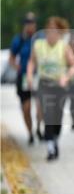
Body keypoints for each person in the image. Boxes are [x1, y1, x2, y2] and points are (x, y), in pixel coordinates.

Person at [26, 17, 74, 161]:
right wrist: (30, 75)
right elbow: (31, 62)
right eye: (49, 29)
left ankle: (55, 139)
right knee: (47, 115)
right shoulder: (38, 45)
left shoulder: (63, 47)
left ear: (60, 32)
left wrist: (66, 77)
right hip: (44, 85)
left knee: (57, 117)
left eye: (55, 30)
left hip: (59, 86)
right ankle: (50, 147)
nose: (51, 32)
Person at [9, 13, 40, 144]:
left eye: (32, 23)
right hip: (23, 78)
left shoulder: (40, 39)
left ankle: (40, 128)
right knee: (26, 108)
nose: (30, 26)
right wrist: (19, 69)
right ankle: (30, 132)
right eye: (28, 23)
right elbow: (11, 58)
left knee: (41, 105)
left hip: (38, 76)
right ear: (25, 25)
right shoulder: (19, 40)